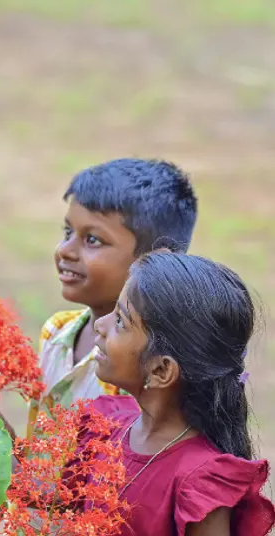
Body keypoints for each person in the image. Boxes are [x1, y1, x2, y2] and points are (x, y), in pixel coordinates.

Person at [0, 251, 275, 535]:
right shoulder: (105, 427)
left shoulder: (198, 483)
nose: (100, 324)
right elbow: (52, 498)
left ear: (161, 371)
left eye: (121, 321)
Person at [26, 158, 198, 437]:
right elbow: (39, 460)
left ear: (154, 260)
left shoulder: (145, 370)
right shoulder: (57, 332)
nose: (65, 251)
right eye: (68, 232)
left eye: (92, 240)